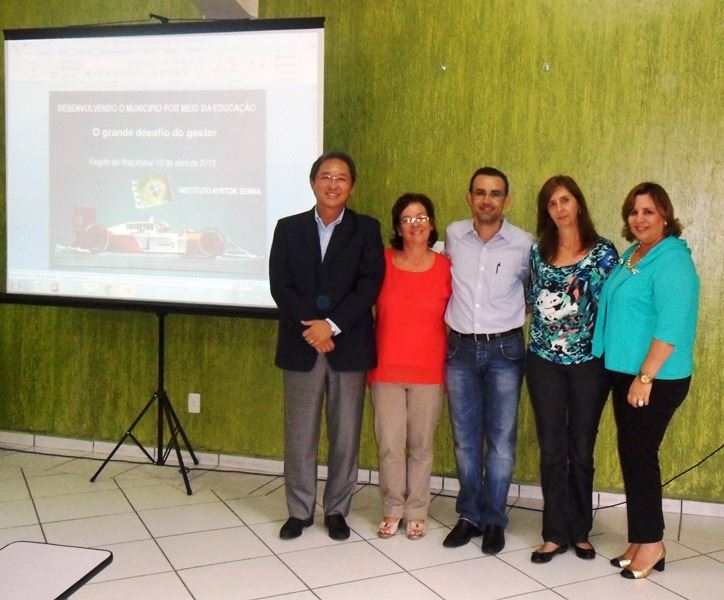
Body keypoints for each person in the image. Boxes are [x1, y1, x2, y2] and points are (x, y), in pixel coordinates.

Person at [269, 151, 385, 541]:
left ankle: (337, 510)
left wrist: (331, 326)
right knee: (299, 434)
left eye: (341, 178)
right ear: (313, 182)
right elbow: (279, 284)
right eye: (325, 176)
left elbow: (369, 284)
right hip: (302, 344)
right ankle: (299, 511)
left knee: (345, 434)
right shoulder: (288, 228)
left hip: (347, 346)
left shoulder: (366, 229)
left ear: (351, 186)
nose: (333, 184)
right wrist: (313, 327)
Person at [592, 182, 699, 579]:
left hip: (654, 378)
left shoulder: (672, 261)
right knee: (634, 457)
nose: (639, 219)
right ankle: (642, 539)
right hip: (628, 374)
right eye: (634, 212)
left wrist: (645, 376)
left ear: (665, 216)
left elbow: (671, 326)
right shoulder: (636, 254)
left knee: (640, 458)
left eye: (648, 211)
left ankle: (652, 544)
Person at [526, 176, 618, 563]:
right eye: (552, 203)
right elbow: (532, 301)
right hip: (544, 361)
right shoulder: (538, 251)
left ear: (578, 203)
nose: (560, 208)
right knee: (551, 448)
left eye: (565, 200)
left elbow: (615, 307)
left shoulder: (603, 253)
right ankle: (553, 533)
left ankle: (579, 531)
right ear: (546, 212)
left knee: (581, 449)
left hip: (589, 365)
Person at [443, 166, 533, 554]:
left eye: (495, 193)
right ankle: (469, 515)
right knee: (464, 441)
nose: (487, 200)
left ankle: (494, 518)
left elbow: (533, 293)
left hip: (505, 351)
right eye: (480, 192)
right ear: (469, 197)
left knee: (500, 442)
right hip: (460, 349)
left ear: (506, 200)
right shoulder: (451, 236)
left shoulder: (524, 243)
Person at [368, 193, 452, 540]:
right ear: (397, 227)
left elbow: (452, 321)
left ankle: (417, 509)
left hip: (429, 371)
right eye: (407, 218)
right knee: (389, 444)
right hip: (385, 368)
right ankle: (392, 508)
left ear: (431, 224)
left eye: (421, 217)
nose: (414, 224)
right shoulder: (381, 262)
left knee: (420, 445)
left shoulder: (446, 267)